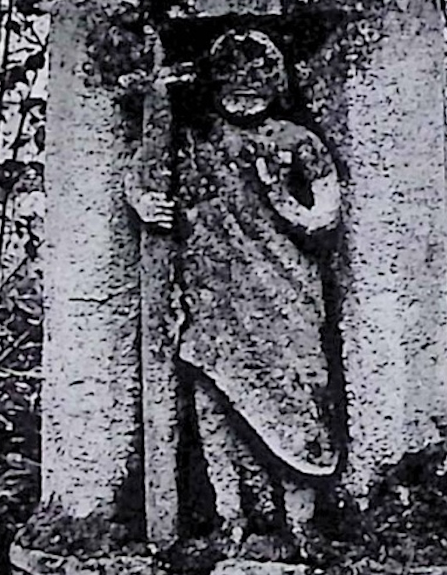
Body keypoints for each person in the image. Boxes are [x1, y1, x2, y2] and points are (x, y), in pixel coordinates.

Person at [126, 28, 341, 551]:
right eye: (233, 77)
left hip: (286, 292)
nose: (244, 91)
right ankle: (232, 518)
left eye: (256, 75)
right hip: (212, 292)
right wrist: (140, 198)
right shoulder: (197, 138)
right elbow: (146, 164)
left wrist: (279, 199)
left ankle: (301, 524)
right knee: (216, 399)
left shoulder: (297, 141)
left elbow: (324, 215)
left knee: (296, 397)